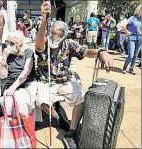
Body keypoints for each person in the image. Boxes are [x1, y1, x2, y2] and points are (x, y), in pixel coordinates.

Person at [36, 2, 114, 148]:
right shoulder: (44, 42)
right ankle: (58, 118)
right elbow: (39, 46)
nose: (54, 39)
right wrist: (44, 19)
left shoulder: (69, 44)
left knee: (80, 97)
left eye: (57, 37)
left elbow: (85, 52)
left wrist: (101, 51)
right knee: (42, 101)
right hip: (45, 81)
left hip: (64, 81)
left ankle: (71, 132)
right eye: (52, 35)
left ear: (64, 37)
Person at [0, 30, 38, 120]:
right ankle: (11, 126)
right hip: (10, 83)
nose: (8, 45)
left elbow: (25, 72)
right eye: (7, 42)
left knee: (20, 100)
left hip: (25, 84)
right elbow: (2, 76)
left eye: (11, 43)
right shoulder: (7, 54)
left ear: (20, 44)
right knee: (7, 101)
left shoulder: (28, 52)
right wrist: (4, 59)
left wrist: (12, 88)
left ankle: (24, 126)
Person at [121, 5, 141, 75]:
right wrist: (127, 32)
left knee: (136, 55)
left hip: (140, 39)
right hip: (132, 38)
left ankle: (131, 69)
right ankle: (124, 68)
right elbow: (122, 25)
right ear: (139, 10)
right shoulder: (132, 18)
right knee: (131, 55)